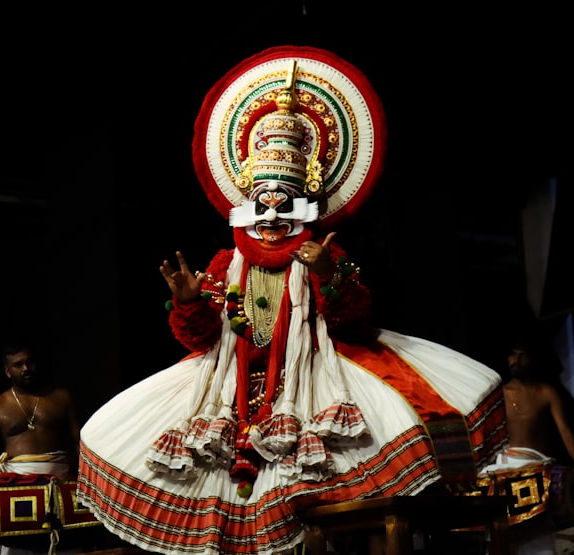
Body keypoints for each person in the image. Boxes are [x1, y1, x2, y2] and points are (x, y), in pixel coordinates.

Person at [74, 46, 507, 554]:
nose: (273, 214)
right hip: (226, 397)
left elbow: (350, 321)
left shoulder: (321, 249)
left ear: (308, 199)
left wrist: (326, 274)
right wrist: (190, 303)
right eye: (263, 202)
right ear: (245, 203)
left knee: (327, 517)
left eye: (285, 200)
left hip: (314, 386)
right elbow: (201, 339)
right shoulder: (224, 263)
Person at [0, 340, 85, 555]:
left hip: (58, 483)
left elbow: (79, 443)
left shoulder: (61, 397)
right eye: (18, 365)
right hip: (14, 486)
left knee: (65, 545)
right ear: (8, 371)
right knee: (15, 547)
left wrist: (87, 480)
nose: (26, 369)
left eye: (30, 362)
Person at [481, 337, 574, 554]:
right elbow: (486, 435)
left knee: (540, 540)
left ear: (534, 361)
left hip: (540, 469)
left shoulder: (546, 393)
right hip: (505, 469)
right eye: (512, 354)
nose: (516, 360)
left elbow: (565, 431)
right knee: (505, 537)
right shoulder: (497, 393)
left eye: (522, 355)